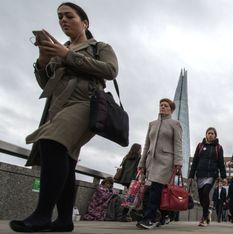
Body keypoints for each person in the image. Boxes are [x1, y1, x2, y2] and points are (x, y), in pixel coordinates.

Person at [9, 2, 118, 233]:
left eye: (69, 16)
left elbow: (111, 70)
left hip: (86, 104)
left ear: (84, 22)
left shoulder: (99, 46)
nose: (63, 21)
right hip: (58, 108)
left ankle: (41, 215)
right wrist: (43, 59)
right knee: (66, 159)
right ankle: (64, 220)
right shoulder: (60, 48)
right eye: (60, 17)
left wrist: (67, 55)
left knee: (51, 142)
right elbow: (46, 85)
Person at [136, 98, 183, 230]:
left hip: (165, 162)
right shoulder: (152, 124)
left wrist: (178, 163)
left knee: (156, 189)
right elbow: (146, 145)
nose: (162, 107)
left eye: (165, 106)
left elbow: (178, 144)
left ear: (171, 109)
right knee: (149, 191)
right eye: (161, 105)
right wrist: (142, 163)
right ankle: (160, 216)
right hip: (151, 162)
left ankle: (150, 218)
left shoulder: (175, 124)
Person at [188, 127, 227, 227]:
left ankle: (204, 218)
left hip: (211, 175)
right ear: (206, 135)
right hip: (200, 175)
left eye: (212, 133)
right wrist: (191, 176)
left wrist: (224, 177)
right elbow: (195, 161)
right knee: (202, 199)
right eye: (208, 133)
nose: (210, 135)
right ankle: (207, 212)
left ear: (215, 135)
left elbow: (221, 163)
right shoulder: (200, 146)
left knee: (206, 192)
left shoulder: (218, 147)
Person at [115, 143, 142, 222]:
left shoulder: (127, 157)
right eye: (140, 148)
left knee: (129, 197)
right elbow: (139, 168)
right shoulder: (139, 157)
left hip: (125, 179)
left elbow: (123, 166)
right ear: (138, 149)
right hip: (133, 180)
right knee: (131, 198)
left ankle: (126, 214)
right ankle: (125, 214)